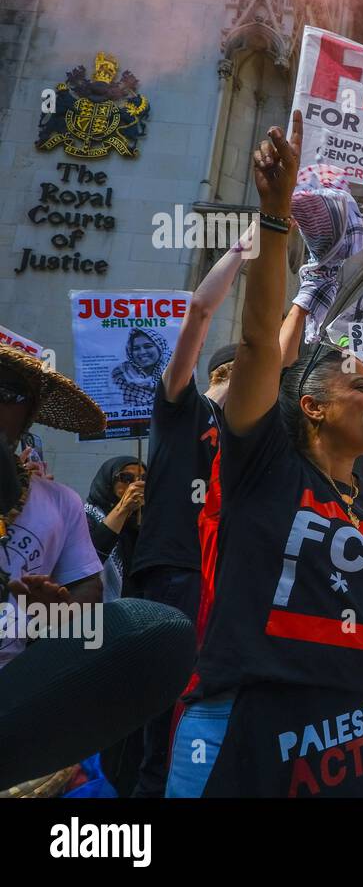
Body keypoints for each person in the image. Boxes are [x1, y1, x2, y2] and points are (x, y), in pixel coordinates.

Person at [171, 112, 363, 797]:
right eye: (359, 387)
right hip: (252, 738)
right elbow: (257, 353)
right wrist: (276, 217)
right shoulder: (266, 472)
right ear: (309, 406)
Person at [129, 228, 248, 798]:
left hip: (222, 587)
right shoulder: (184, 408)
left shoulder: (251, 439)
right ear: (226, 373)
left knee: (202, 722)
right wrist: (249, 245)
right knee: (162, 720)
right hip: (173, 572)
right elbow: (199, 310)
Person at [0, 345, 107, 671]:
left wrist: (49, 615)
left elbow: (88, 588)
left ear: (29, 412)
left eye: (7, 392)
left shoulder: (61, 502)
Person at [83, 457, 146, 602]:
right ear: (108, 481)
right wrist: (123, 509)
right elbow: (92, 558)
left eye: (143, 478)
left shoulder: (147, 517)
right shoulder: (87, 518)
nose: (135, 484)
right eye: (126, 478)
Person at [111, 328, 170, 408]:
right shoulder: (120, 374)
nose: (142, 352)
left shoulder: (174, 371)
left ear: (160, 348)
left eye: (148, 346)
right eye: (136, 348)